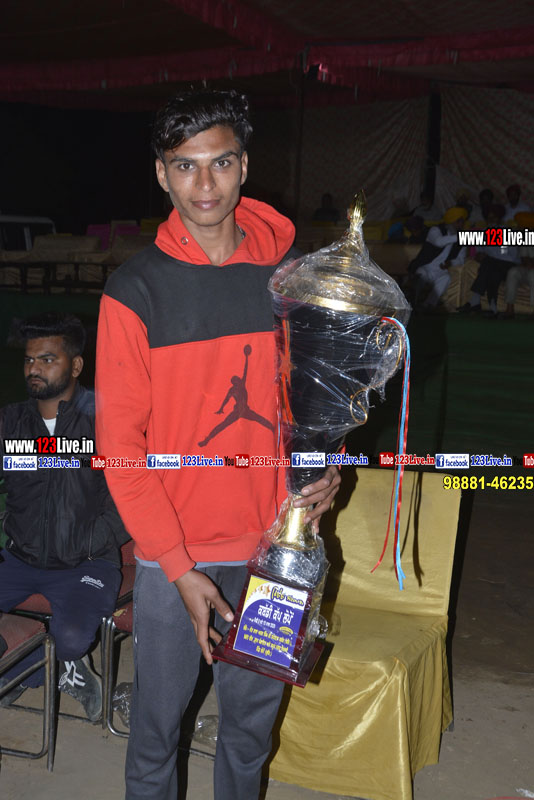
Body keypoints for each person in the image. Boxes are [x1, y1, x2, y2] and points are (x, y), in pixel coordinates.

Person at [95, 90, 341, 800]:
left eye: (221, 163)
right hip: (176, 554)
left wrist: (322, 467)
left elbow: (312, 398)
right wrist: (176, 567)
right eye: (185, 165)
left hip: (276, 551)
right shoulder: (134, 290)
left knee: (248, 735)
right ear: (162, 173)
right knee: (156, 736)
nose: (205, 184)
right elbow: (121, 453)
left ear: (244, 167)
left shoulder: (292, 278)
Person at [0, 312, 128, 721]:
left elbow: (133, 492)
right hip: (19, 558)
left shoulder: (106, 421)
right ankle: (33, 670)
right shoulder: (11, 422)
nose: (33, 369)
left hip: (86, 561)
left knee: (71, 638)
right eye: (29, 360)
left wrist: (93, 538)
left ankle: (51, 667)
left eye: (47, 359)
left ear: (75, 366)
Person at [458, 204, 520, 317]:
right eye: (489, 218)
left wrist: (489, 257)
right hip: (493, 267)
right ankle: (493, 308)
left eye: (494, 217)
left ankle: (475, 301)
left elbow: (508, 256)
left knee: (489, 263)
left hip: (509, 266)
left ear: (499, 218)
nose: (491, 220)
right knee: (492, 272)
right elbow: (479, 251)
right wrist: (479, 256)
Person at [406, 206, 467, 309]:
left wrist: (451, 263)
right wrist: (461, 237)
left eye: (462, 222)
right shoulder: (435, 230)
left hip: (440, 270)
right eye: (458, 221)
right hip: (425, 266)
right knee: (421, 275)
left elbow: (461, 259)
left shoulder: (461, 240)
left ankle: (428, 305)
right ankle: (411, 304)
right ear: (451, 221)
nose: (461, 225)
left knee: (446, 278)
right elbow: (439, 242)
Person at [501, 212, 534, 318]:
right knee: (513, 272)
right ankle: (510, 308)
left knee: (533, 275)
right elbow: (524, 258)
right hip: (528, 268)